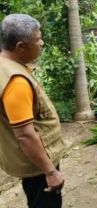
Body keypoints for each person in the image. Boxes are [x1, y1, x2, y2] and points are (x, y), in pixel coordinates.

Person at [0, 14, 67, 207]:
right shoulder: (16, 82)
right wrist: (50, 172)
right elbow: (25, 136)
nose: (42, 43)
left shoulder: (5, 65)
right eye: (37, 39)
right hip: (37, 166)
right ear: (20, 46)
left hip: (31, 160)